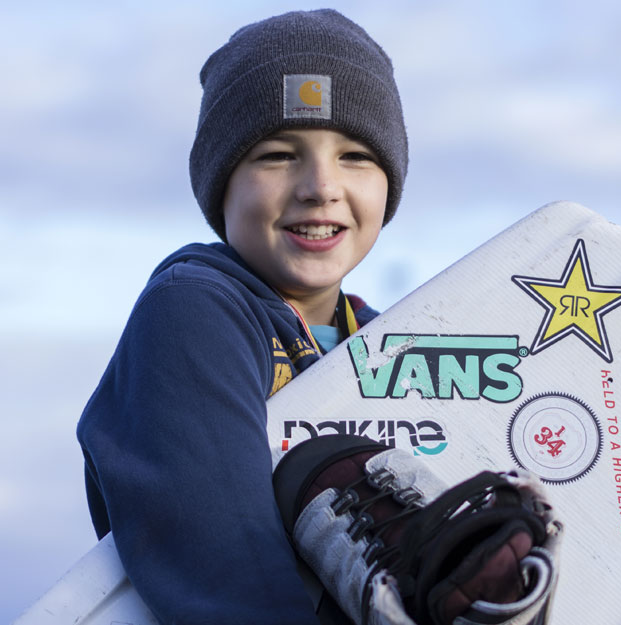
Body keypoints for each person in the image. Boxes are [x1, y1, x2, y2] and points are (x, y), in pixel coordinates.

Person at [76, 9, 408, 625]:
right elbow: (225, 563)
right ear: (220, 185)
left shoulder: (392, 340)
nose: (320, 186)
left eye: (356, 155)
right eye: (279, 155)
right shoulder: (193, 313)